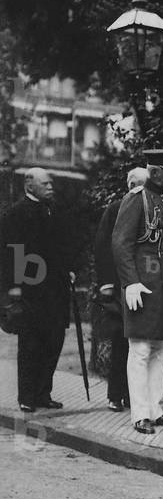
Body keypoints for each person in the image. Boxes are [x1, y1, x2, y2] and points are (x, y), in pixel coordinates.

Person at [112, 149, 163, 435]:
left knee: (162, 350)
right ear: (155, 171)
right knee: (141, 350)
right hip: (143, 285)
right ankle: (140, 414)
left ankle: (155, 410)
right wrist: (130, 282)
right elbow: (120, 243)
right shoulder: (135, 199)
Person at [0, 167, 72, 412]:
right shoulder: (15, 214)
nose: (51, 187)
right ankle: (27, 396)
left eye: (51, 183)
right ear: (30, 185)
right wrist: (14, 288)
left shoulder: (54, 210)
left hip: (55, 291)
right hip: (30, 291)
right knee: (31, 345)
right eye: (45, 184)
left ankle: (44, 393)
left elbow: (63, 246)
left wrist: (68, 269)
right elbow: (11, 253)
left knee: (53, 342)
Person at [93, 166, 149, 411]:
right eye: (140, 185)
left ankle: (134, 395)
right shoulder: (116, 208)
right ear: (130, 186)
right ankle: (116, 394)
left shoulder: (153, 209)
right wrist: (106, 283)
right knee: (121, 340)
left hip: (146, 283)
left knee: (141, 341)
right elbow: (103, 246)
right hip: (120, 285)